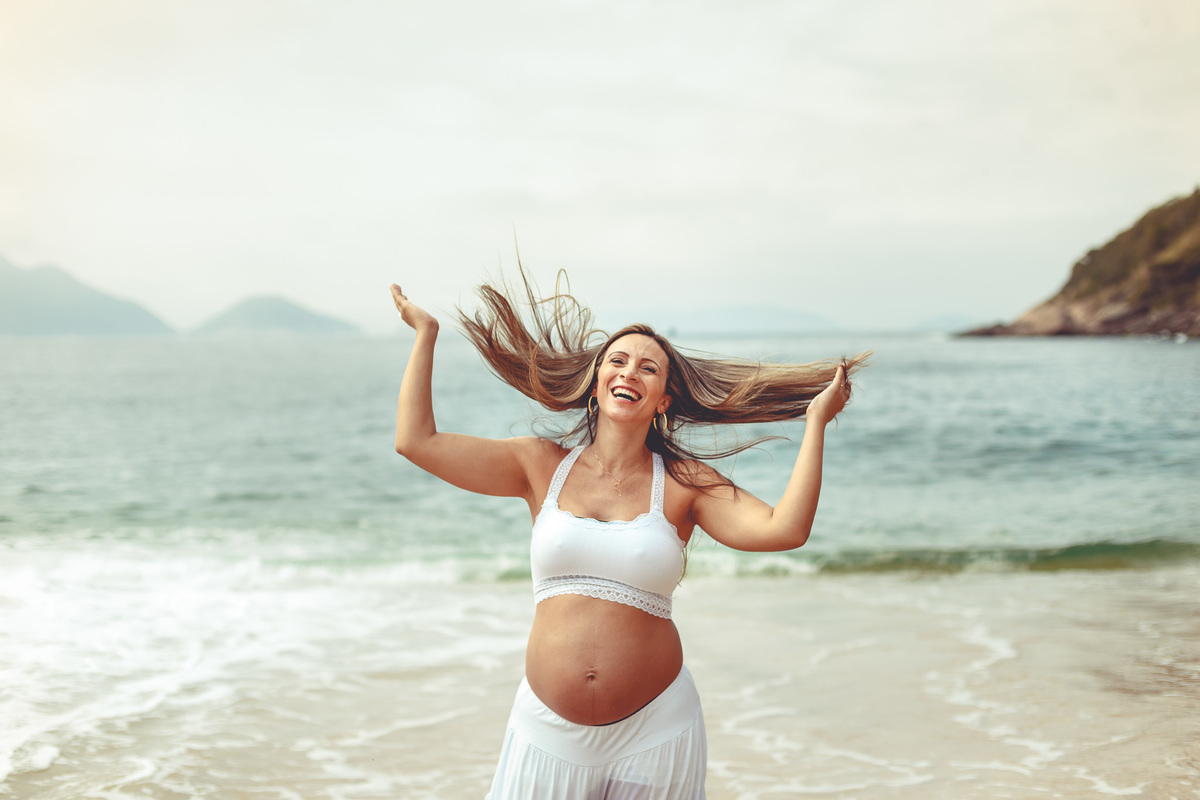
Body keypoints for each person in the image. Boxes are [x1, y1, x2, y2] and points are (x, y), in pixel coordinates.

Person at [390, 273, 866, 799]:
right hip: (548, 732)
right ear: (596, 382)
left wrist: (816, 422)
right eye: (617, 361)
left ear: (663, 399)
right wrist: (425, 333)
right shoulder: (539, 465)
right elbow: (417, 441)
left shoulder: (686, 483)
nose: (629, 371)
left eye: (648, 367)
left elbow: (786, 529)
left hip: (656, 730)